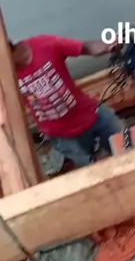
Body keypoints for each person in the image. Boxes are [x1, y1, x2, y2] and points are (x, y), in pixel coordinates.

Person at [9, 34, 124, 168]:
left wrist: (108, 46)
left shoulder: (44, 44)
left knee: (130, 147)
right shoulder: (6, 77)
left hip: (92, 114)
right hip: (62, 137)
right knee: (92, 172)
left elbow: (85, 47)